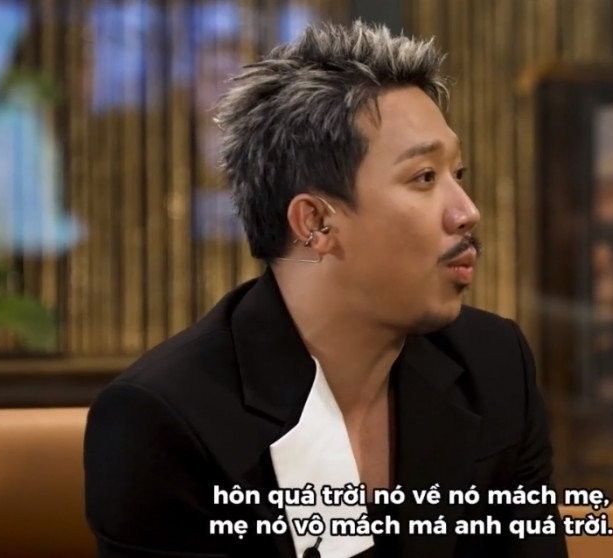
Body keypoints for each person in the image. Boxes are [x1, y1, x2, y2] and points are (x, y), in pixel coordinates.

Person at [84, 20, 568, 558]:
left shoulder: (494, 365)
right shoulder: (163, 419)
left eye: (459, 173)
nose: (467, 211)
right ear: (314, 222)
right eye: (425, 178)